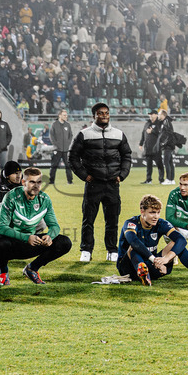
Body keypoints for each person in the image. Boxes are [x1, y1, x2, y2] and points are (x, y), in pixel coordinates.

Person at [69, 102, 132, 263]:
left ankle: (112, 250)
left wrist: (122, 175)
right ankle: (86, 250)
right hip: (93, 184)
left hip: (112, 184)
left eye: (106, 113)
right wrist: (84, 176)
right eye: (100, 113)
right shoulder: (84, 134)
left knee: (112, 220)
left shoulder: (118, 134)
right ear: (94, 116)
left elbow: (127, 156)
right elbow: (73, 157)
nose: (104, 115)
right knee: (88, 220)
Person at [116, 195, 188, 286]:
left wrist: (166, 259)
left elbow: (181, 240)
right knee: (133, 247)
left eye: (158, 212)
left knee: (176, 243)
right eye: (152, 212)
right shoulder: (131, 223)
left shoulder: (160, 223)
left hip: (152, 264)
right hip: (128, 268)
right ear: (142, 211)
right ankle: (143, 272)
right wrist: (153, 259)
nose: (156, 216)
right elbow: (133, 241)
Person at [0, 167, 73, 285]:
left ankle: (32, 269)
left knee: (65, 242)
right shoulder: (11, 197)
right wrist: (26, 238)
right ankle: (4, 272)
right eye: (32, 182)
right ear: (23, 182)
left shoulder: (44, 199)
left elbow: (54, 226)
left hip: (32, 243)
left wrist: (49, 236)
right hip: (13, 244)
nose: (36, 186)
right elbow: (1, 227)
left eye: (39, 182)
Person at [49, 109, 73, 185]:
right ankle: (51, 181)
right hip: (57, 149)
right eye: (64, 115)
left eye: (66, 115)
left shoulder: (68, 125)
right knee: (54, 165)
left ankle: (70, 181)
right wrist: (56, 145)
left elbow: (70, 135)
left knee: (68, 166)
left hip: (66, 149)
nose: (66, 116)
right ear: (60, 115)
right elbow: (51, 136)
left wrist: (68, 143)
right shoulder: (54, 124)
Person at [138, 110, 163, 184]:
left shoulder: (159, 123)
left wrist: (152, 131)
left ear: (156, 115)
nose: (150, 116)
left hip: (156, 148)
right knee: (148, 165)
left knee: (159, 165)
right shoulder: (147, 123)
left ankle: (161, 180)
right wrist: (141, 143)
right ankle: (148, 180)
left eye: (152, 114)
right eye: (149, 114)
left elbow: (161, 134)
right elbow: (143, 133)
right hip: (148, 148)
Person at [157, 109, 177, 186]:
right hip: (169, 144)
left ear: (163, 115)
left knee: (166, 162)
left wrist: (163, 143)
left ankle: (168, 179)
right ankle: (172, 179)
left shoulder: (166, 122)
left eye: (159, 114)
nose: (158, 116)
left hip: (168, 145)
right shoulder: (165, 122)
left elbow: (169, 134)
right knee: (170, 162)